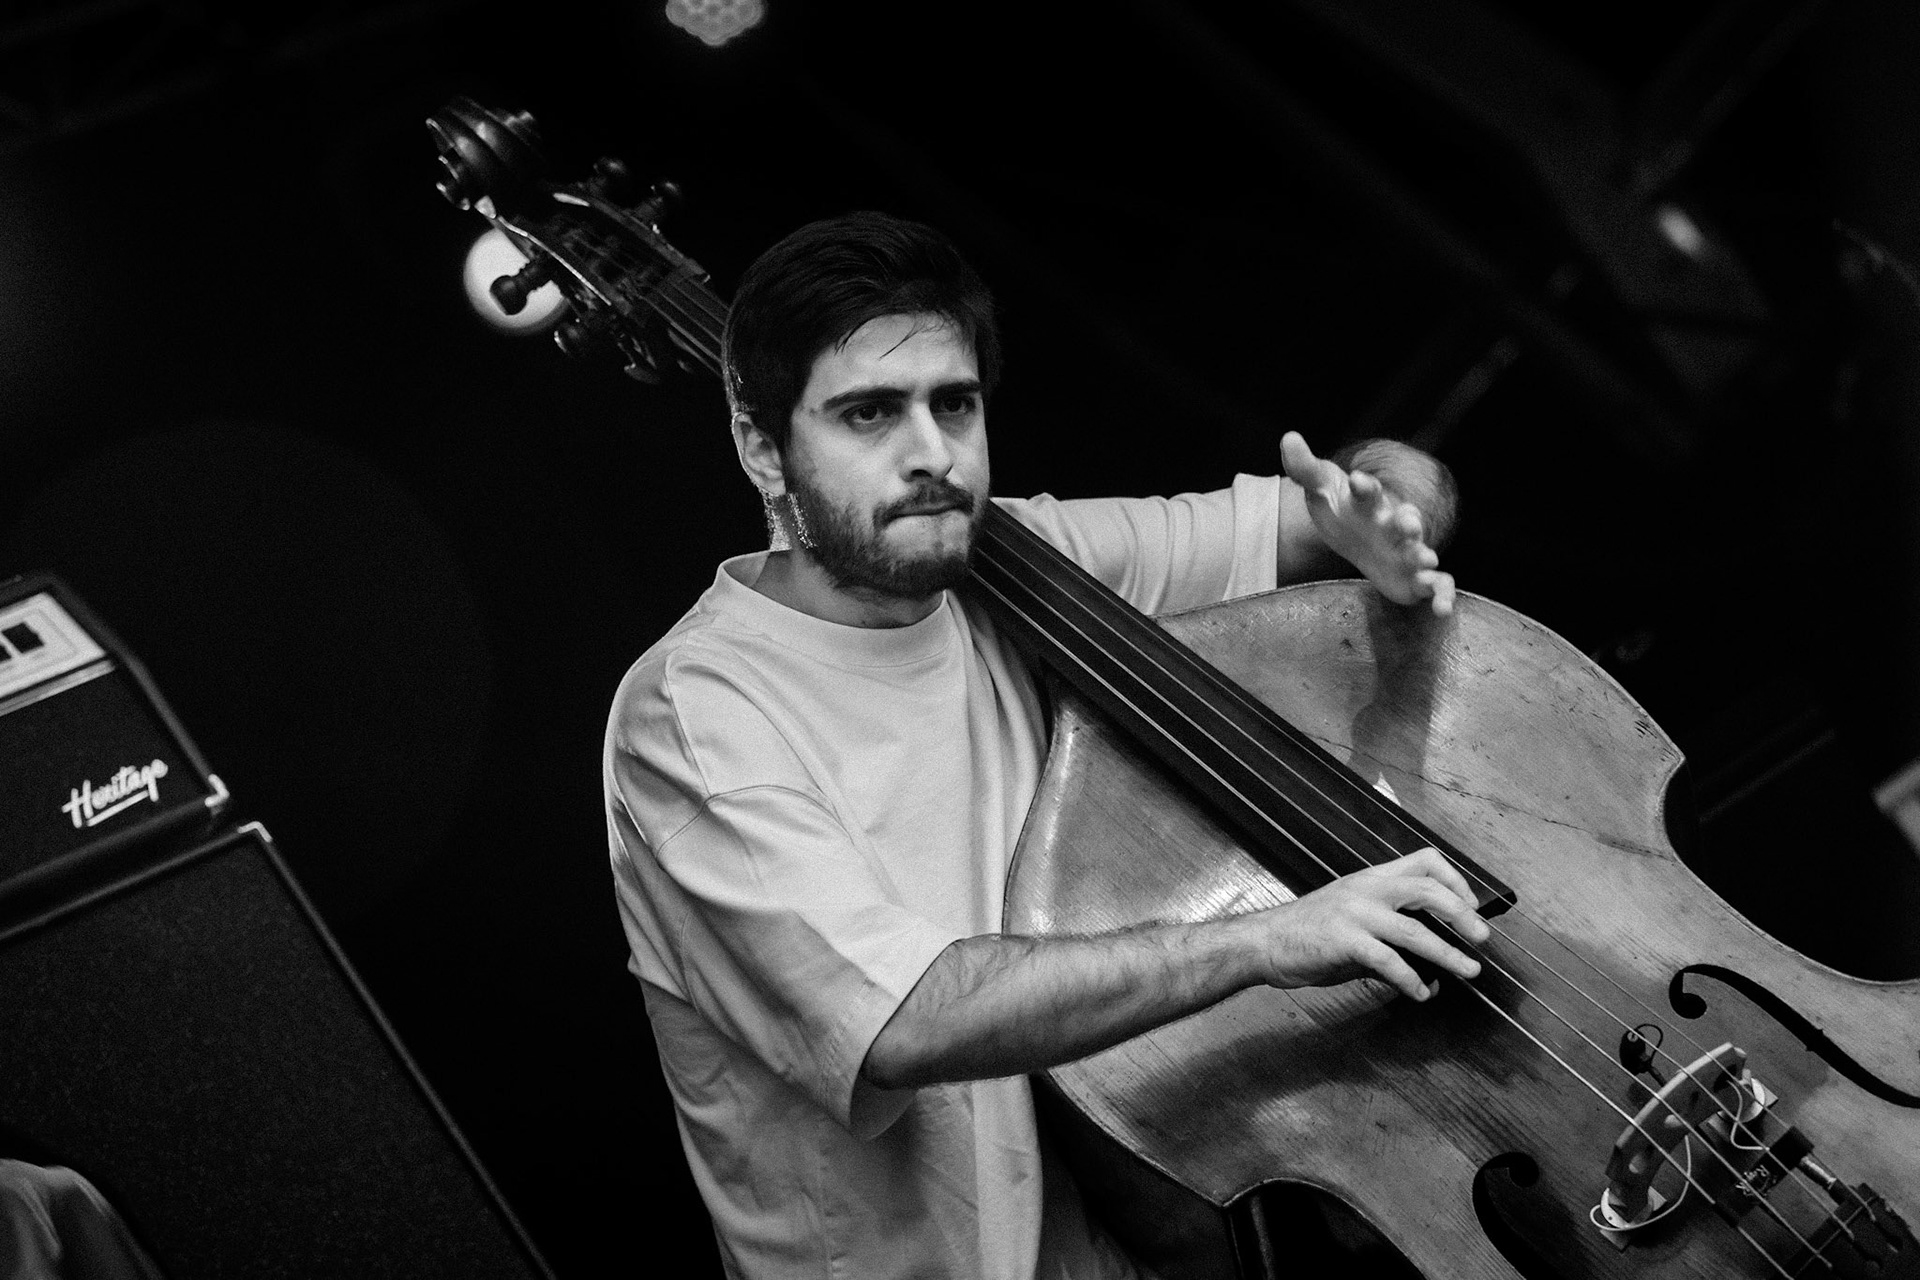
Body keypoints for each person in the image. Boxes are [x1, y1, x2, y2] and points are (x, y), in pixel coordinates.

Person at [603, 210, 1491, 1279]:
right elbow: (905, 1019)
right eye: (870, 413)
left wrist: (1394, 503)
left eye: (955, 404)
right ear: (762, 443)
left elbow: (1342, 503)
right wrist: (1269, 939)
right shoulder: (692, 715)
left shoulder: (1025, 558)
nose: (931, 454)